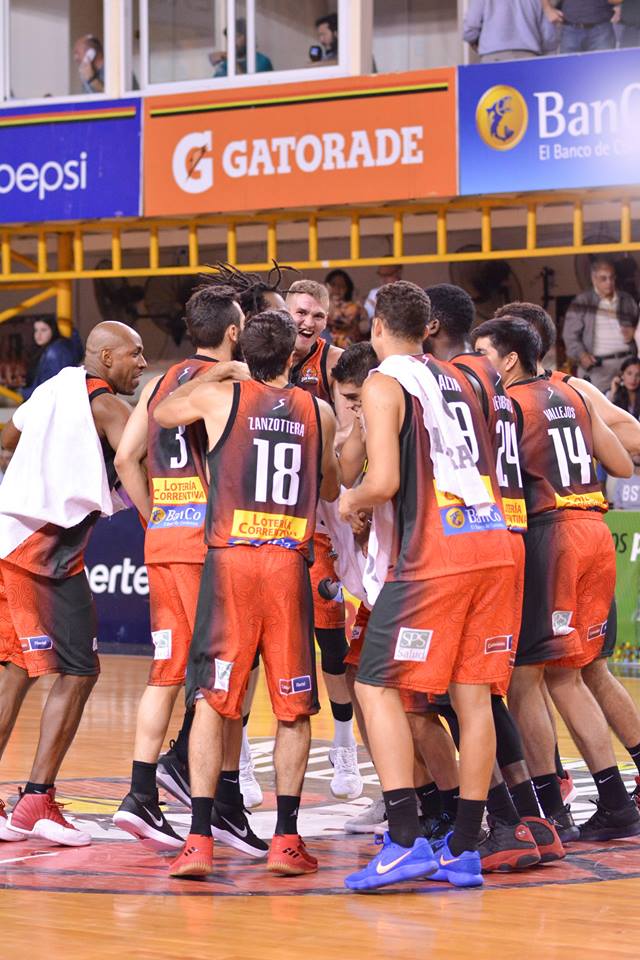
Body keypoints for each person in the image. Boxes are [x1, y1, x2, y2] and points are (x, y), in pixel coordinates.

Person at [339, 281, 518, 891]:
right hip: (492, 541)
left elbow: (384, 481)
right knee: (473, 697)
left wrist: (350, 501)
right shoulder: (469, 377)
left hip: (435, 555)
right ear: (428, 328)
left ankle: (404, 838)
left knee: (374, 683)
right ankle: (465, 847)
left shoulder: (384, 382)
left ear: (377, 326)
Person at [153, 310, 339, 878]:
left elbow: (163, 412)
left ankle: (198, 839)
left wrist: (219, 373)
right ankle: (286, 839)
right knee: (293, 707)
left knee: (214, 700)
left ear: (243, 353)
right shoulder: (319, 411)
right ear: (292, 356)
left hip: (231, 562)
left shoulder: (220, 398)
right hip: (287, 563)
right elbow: (331, 485)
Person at [112, 286, 268, 859]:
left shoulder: (159, 383)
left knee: (166, 672)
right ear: (233, 333)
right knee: (226, 677)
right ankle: (222, 802)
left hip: (164, 542)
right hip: (210, 547)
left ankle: (140, 792)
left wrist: (155, 516)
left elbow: (125, 457)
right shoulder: (229, 385)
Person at [473, 317, 640, 842]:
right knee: (576, 672)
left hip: (552, 536)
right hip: (595, 529)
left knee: (528, 677)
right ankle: (615, 800)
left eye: (484, 353)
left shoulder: (508, 404)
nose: (479, 364)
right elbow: (621, 462)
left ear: (509, 359)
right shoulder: (575, 392)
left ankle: (551, 808)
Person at [0, 322, 145, 846]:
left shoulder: (51, 389)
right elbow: (136, 461)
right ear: (106, 357)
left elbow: (6, 439)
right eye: (134, 353)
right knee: (81, 670)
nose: (141, 362)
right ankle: (36, 800)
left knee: (17, 670)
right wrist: (159, 523)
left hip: (10, 536)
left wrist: (38, 479)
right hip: (44, 555)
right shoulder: (108, 406)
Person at [287, 279, 362, 801]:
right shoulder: (260, 360)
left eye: (316, 315)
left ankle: (344, 743)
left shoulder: (332, 364)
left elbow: (347, 432)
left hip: (323, 504)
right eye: (300, 312)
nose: (307, 322)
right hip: (273, 510)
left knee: (331, 639)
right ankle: (240, 763)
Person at [563, 258, 638, 394]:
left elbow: (638, 325)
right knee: (596, 403)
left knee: (629, 404)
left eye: (611, 278)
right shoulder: (583, 301)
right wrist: (581, 355)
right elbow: (569, 335)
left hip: (627, 365)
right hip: (598, 367)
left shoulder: (626, 300)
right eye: (603, 278)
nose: (609, 282)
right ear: (594, 279)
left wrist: (634, 331)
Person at [464, 0, 558, 61]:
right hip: (528, 58)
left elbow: (469, 30)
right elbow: (549, 37)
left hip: (493, 58)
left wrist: (476, 43)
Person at [20, 318, 83, 401]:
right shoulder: (51, 349)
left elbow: (51, 387)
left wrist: (24, 392)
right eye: (36, 330)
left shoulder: (55, 351)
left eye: (43, 330)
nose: (38, 334)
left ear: (53, 330)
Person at [542, 0, 619, 52]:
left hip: (602, 29)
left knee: (603, 70)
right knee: (568, 70)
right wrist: (547, 9)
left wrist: (620, 6)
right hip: (570, 29)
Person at [324, 269, 367, 348]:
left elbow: (364, 328)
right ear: (326, 287)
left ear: (347, 289)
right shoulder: (320, 307)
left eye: (341, 286)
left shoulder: (354, 308)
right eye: (333, 285)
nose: (337, 289)